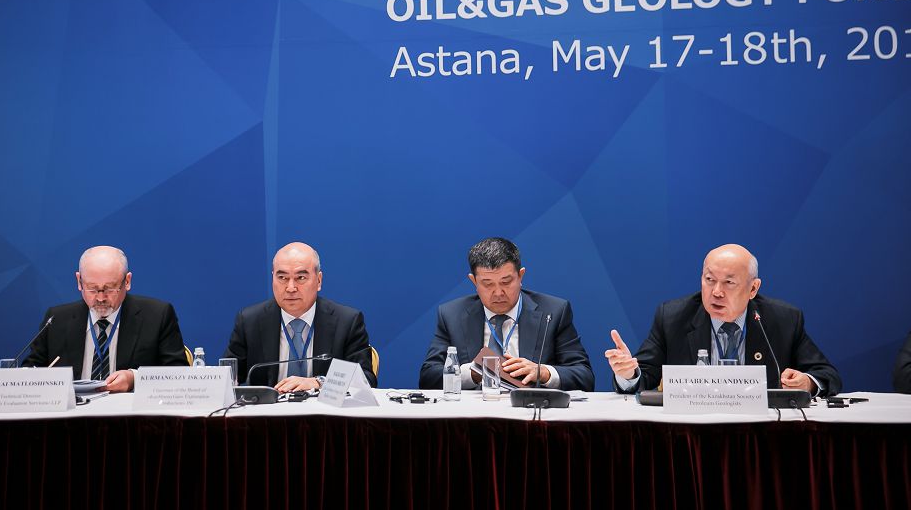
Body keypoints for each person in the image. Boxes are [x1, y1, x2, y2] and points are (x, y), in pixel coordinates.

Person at [606, 243, 841, 396]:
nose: (716, 292)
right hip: (692, 432)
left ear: (753, 289)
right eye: (709, 280)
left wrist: (807, 383)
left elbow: (826, 374)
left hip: (761, 433)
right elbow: (644, 376)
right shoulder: (673, 317)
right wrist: (629, 374)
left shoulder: (783, 319)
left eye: (729, 282)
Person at [419, 237, 595, 391]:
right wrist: (471, 373)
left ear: (520, 276)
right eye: (487, 284)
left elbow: (585, 377)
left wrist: (543, 373)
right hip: (473, 414)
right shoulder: (452, 315)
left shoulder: (554, 312)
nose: (498, 293)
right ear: (474, 281)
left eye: (506, 282)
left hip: (529, 412)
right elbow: (428, 378)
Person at [23, 245, 189, 391]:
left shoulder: (157, 316)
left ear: (127, 281)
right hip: (74, 412)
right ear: (79, 281)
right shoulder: (56, 320)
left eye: (110, 289)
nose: (101, 298)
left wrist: (135, 378)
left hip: (128, 414)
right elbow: (29, 372)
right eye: (92, 288)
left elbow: (179, 374)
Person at [223, 242, 376, 393]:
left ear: (319, 280)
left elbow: (366, 380)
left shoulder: (347, 322)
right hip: (269, 408)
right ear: (272, 279)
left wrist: (319, 382)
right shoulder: (250, 321)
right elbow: (226, 379)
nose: (290, 288)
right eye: (282, 277)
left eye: (301, 277)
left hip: (323, 408)